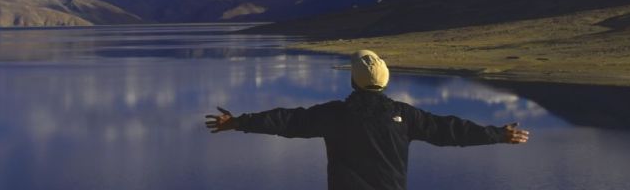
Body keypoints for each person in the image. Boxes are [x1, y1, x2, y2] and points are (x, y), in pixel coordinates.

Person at [204, 50, 530, 190]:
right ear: (385, 82)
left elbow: (287, 121)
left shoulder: (334, 115)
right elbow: (451, 130)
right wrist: (497, 134)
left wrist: (238, 122)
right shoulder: (406, 115)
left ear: (353, 82)